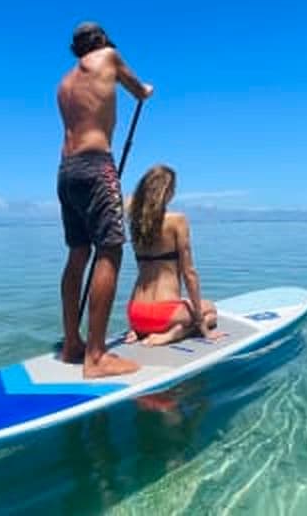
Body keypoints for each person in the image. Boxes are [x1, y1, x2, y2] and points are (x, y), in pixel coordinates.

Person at [57, 22, 153, 378]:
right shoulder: (109, 57)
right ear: (102, 41)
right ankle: (96, 356)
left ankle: (71, 344)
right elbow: (138, 91)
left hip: (66, 171)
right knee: (110, 250)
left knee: (78, 253)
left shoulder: (64, 84)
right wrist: (146, 90)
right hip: (97, 166)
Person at [125, 165, 224, 346]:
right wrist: (202, 325)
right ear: (167, 191)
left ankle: (138, 332)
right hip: (164, 315)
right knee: (210, 310)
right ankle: (175, 334)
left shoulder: (136, 224)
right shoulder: (177, 221)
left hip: (136, 313)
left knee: (187, 305)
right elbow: (189, 274)